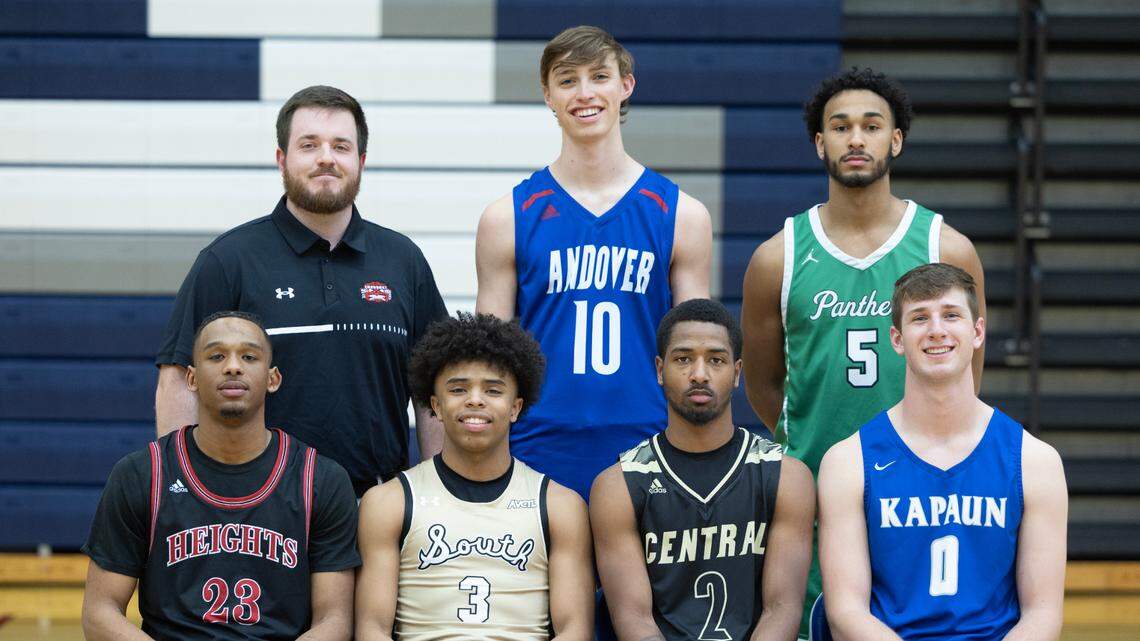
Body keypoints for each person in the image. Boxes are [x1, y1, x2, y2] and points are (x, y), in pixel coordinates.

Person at [740, 67, 987, 635]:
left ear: (895, 140)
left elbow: (967, 374)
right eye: (841, 126)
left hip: (924, 489)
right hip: (816, 495)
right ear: (819, 142)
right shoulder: (777, 258)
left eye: (872, 126)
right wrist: (812, 447)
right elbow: (763, 383)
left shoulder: (945, 248)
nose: (856, 138)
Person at [155, 85, 449, 497]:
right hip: (258, 509)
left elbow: (434, 391)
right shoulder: (229, 261)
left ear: (360, 161)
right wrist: (180, 492)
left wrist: (436, 496)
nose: (326, 158)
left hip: (377, 507)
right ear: (282, 159)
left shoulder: (404, 261)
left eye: (341, 146)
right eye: (309, 145)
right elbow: (179, 380)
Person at [475, 25, 713, 500]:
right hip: (537, 446)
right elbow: (489, 360)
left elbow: (698, 355)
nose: (584, 94)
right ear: (547, 94)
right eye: (567, 80)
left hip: (651, 445)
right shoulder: (506, 218)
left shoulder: (682, 214)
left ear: (625, 85)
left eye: (598, 76)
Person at [815, 263, 1066, 640]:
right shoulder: (847, 462)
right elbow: (845, 612)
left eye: (951, 315)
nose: (937, 330)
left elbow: (1043, 614)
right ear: (897, 340)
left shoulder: (1036, 462)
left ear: (977, 332)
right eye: (920, 318)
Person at [82, 311, 360, 641]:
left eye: (248, 356)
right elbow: (100, 613)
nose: (232, 366)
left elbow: (335, 620)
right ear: (192, 377)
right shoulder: (141, 474)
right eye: (216, 356)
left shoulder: (320, 480)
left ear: (273, 379)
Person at [355, 312, 594, 640]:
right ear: (436, 406)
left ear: (516, 407)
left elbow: (574, 630)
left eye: (494, 391)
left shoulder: (560, 505)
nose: (475, 400)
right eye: (458, 389)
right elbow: (372, 629)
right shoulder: (389, 501)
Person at [590, 299, 814, 641]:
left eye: (716, 359)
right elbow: (635, 620)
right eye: (683, 359)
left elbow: (781, 610)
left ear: (737, 373)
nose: (699, 374)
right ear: (660, 369)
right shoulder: (619, 484)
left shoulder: (785, 476)